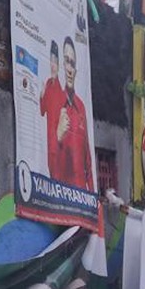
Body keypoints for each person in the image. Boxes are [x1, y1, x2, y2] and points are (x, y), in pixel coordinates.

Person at [53, 36, 94, 192]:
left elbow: (88, 159)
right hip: (59, 196)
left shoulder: (81, 107)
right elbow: (47, 157)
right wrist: (58, 137)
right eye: (67, 62)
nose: (70, 69)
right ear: (62, 66)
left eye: (73, 63)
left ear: (76, 70)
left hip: (81, 198)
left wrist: (93, 195)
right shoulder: (55, 102)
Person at [39, 39, 65, 180]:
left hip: (57, 137)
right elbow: (42, 111)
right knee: (50, 169)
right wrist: (42, 95)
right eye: (51, 61)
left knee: (57, 172)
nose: (52, 65)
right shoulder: (48, 84)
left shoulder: (61, 90)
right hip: (48, 135)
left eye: (55, 61)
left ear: (59, 65)